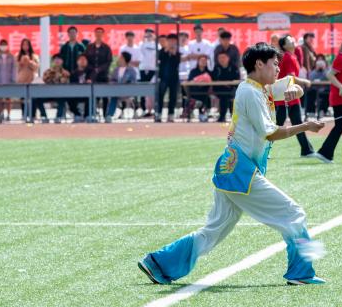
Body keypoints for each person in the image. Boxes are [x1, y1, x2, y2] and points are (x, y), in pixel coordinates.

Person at [138, 42, 328, 286]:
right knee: (293, 214)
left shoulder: (260, 88)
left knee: (213, 231)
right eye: (274, 64)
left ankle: (159, 263)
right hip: (241, 172)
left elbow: (292, 84)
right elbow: (270, 133)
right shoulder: (251, 92)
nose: (278, 69)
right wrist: (306, 126)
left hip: (232, 169)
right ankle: (301, 272)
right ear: (259, 64)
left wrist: (295, 90)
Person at [276, 35, 315, 156]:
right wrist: (304, 81)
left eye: (292, 39)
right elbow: (290, 77)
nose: (293, 41)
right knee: (278, 125)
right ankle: (260, 148)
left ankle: (307, 150)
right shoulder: (288, 57)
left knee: (296, 123)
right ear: (284, 45)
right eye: (289, 40)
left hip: (289, 95)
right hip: (285, 96)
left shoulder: (292, 56)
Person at [106, 51, 140, 121]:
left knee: (114, 95)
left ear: (124, 59)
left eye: (121, 57)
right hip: (116, 91)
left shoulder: (131, 70)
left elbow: (133, 82)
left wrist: (127, 84)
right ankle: (109, 115)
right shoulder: (116, 70)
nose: (119, 59)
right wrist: (113, 83)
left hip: (128, 92)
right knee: (113, 96)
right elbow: (112, 80)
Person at [157, 33, 182, 122]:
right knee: (160, 95)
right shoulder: (161, 51)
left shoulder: (177, 52)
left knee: (173, 96)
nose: (172, 43)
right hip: (163, 77)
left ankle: (171, 114)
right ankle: (159, 114)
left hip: (174, 78)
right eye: (170, 41)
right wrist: (166, 50)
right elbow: (159, 59)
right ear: (167, 41)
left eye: (174, 41)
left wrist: (174, 54)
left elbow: (177, 63)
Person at [0, 39, 16, 123]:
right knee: (0, 98)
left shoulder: (11, 56)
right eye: (2, 44)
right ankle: (1, 114)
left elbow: (14, 68)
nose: (3, 46)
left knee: (8, 98)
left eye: (5, 44)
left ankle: (8, 114)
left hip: (9, 80)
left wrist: (14, 79)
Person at [40, 54, 70, 123]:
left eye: (59, 59)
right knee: (38, 99)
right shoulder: (47, 72)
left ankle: (58, 117)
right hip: (48, 94)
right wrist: (54, 75)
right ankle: (44, 116)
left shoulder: (66, 73)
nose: (57, 61)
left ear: (62, 61)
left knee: (62, 99)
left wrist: (57, 77)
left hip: (60, 94)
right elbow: (45, 80)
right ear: (52, 61)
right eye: (55, 59)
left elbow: (64, 82)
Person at [210, 50, 239, 122]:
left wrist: (228, 84)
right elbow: (214, 79)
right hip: (219, 89)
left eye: (223, 57)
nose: (221, 59)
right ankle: (224, 116)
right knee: (224, 95)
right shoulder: (216, 67)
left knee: (229, 95)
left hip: (231, 88)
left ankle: (227, 116)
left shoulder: (233, 67)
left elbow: (236, 79)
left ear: (228, 58)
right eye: (219, 58)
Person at [17, 38, 40, 122]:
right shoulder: (18, 56)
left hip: (32, 80)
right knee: (23, 99)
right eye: (24, 44)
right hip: (22, 80)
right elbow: (16, 68)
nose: (25, 46)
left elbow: (36, 67)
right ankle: (24, 114)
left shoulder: (34, 56)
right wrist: (21, 63)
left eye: (27, 44)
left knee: (33, 99)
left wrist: (29, 62)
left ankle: (33, 115)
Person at [187, 54, 213, 122]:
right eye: (201, 60)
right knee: (191, 99)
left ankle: (203, 114)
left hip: (205, 92)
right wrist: (198, 80)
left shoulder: (209, 72)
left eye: (205, 61)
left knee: (206, 98)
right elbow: (189, 81)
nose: (203, 62)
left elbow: (211, 82)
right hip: (194, 92)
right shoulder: (193, 71)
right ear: (198, 61)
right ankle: (189, 114)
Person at [137, 28, 158, 116]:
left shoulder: (157, 45)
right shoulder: (141, 44)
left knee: (153, 90)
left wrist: (154, 39)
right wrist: (144, 39)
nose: (149, 35)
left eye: (150, 34)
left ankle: (153, 108)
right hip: (143, 69)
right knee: (143, 89)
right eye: (147, 33)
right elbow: (139, 52)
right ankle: (143, 108)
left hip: (153, 70)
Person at [69, 54, 92, 122]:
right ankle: (77, 115)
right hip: (76, 94)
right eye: (81, 59)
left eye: (84, 60)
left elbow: (92, 79)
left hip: (87, 93)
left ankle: (87, 115)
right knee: (68, 98)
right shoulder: (73, 73)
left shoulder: (90, 72)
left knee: (91, 97)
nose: (83, 61)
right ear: (77, 62)